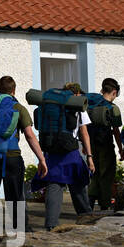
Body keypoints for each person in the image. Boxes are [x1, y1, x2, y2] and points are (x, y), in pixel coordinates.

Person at [0, 76, 47, 246]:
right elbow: (29, 135)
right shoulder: (17, 107)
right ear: (14, 91)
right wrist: (41, 158)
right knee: (14, 196)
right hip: (11, 157)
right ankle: (19, 233)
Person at [30, 82, 95, 231]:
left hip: (51, 149)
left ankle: (51, 224)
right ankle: (86, 219)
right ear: (76, 94)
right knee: (78, 183)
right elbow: (84, 132)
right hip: (69, 150)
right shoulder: (76, 105)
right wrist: (89, 155)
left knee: (54, 184)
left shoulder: (48, 104)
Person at [86, 78, 124, 210]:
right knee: (106, 176)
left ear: (102, 90)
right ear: (114, 92)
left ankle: (88, 206)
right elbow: (116, 132)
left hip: (90, 146)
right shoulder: (113, 109)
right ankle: (105, 206)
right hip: (105, 146)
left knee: (94, 175)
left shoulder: (90, 105)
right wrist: (121, 149)